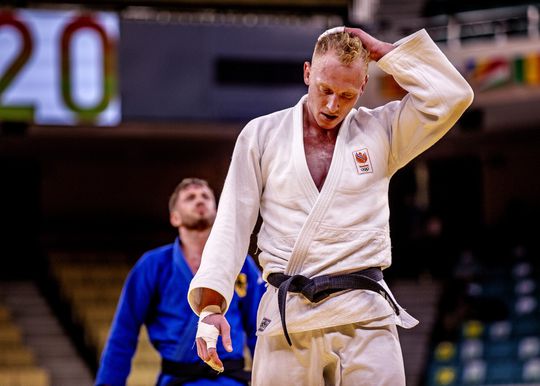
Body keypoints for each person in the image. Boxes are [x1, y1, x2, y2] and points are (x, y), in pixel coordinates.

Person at [188, 26, 474, 386]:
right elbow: (233, 221)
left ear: (363, 85)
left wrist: (388, 52)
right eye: (324, 89)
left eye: (347, 95)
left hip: (365, 317)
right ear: (307, 72)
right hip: (287, 318)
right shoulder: (261, 135)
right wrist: (212, 306)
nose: (331, 105)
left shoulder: (382, 131)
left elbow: (453, 96)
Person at [95, 178, 264, 386]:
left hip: (230, 380)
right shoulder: (152, 265)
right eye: (190, 198)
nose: (199, 200)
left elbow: (260, 331)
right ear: (174, 217)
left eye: (205, 196)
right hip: (178, 380)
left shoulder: (240, 262)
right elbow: (123, 334)